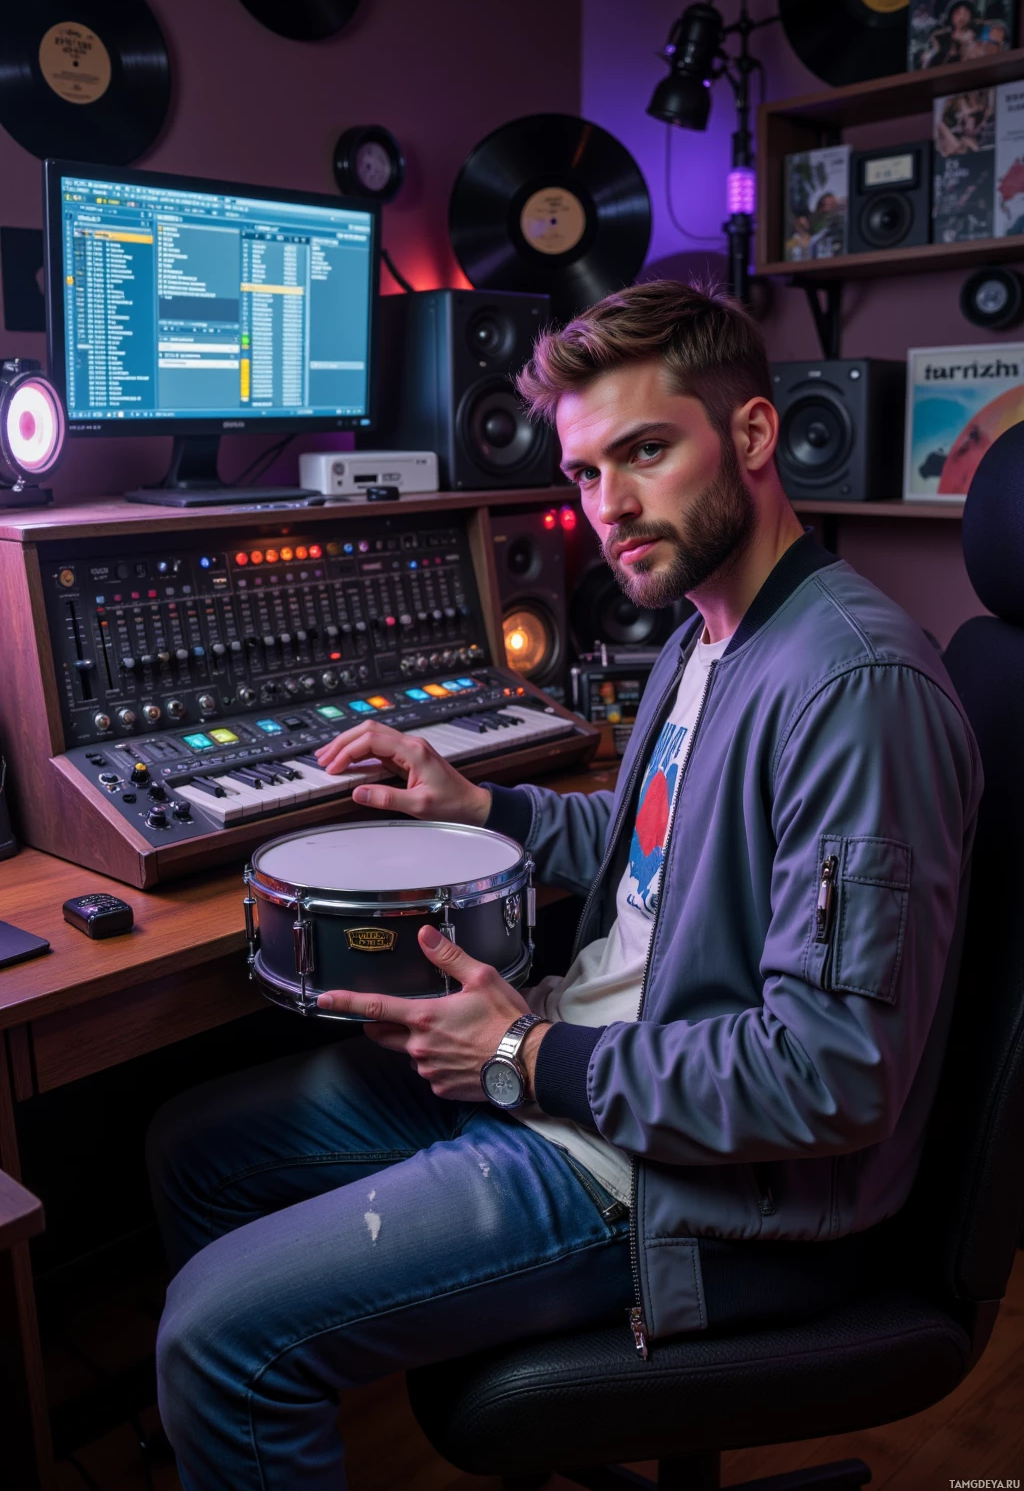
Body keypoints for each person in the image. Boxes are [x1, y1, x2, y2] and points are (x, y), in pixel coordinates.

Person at [149, 281, 981, 1491]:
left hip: (696, 1185)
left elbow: (833, 1075)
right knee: (197, 1150)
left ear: (751, 436)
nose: (610, 509)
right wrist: (483, 805)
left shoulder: (852, 690)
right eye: (587, 473)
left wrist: (527, 1058)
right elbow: (664, 847)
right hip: (588, 1071)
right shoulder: (707, 633)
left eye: (645, 452)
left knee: (218, 1337)